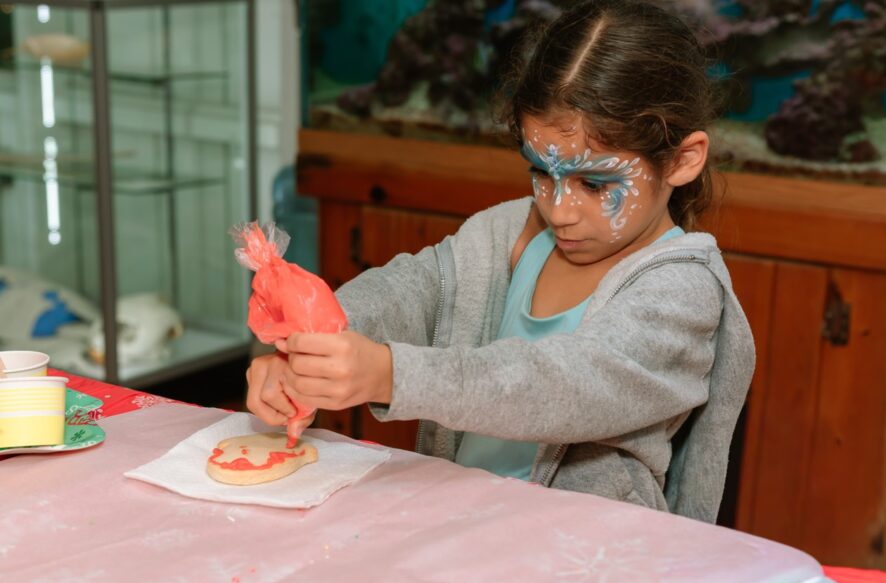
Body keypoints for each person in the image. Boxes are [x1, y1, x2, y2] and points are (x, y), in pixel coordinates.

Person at [245, 0, 755, 523]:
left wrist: (393, 375)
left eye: (596, 183)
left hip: (582, 561)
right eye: (541, 172)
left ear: (682, 159)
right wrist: (320, 341)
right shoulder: (511, 232)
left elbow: (564, 384)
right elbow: (416, 288)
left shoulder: (683, 291)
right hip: (458, 530)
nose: (559, 209)